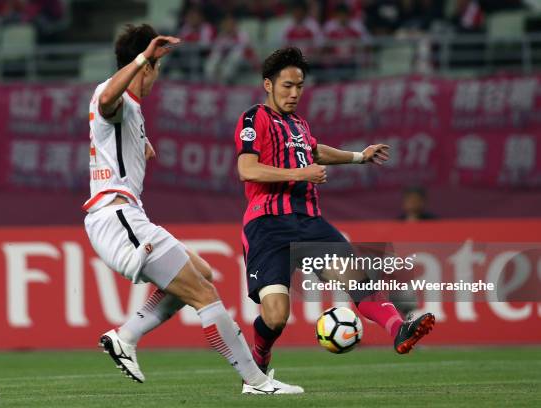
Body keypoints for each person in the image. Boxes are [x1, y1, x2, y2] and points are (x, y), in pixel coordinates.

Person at [83, 24, 303, 395]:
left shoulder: (132, 112)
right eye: (155, 71)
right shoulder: (115, 97)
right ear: (147, 68)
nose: (155, 80)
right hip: (117, 217)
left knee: (201, 272)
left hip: (126, 217)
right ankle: (258, 381)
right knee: (204, 296)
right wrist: (142, 59)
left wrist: (142, 146)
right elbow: (107, 102)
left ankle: (126, 336)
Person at [234, 47, 435, 374]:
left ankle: (399, 328)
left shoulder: (298, 123)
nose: (295, 93)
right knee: (275, 316)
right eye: (287, 85)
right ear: (268, 84)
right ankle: (259, 356)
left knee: (358, 279)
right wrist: (301, 173)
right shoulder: (253, 117)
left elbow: (315, 151)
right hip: (267, 226)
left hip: (310, 223)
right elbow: (247, 168)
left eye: (299, 86)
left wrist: (359, 156)